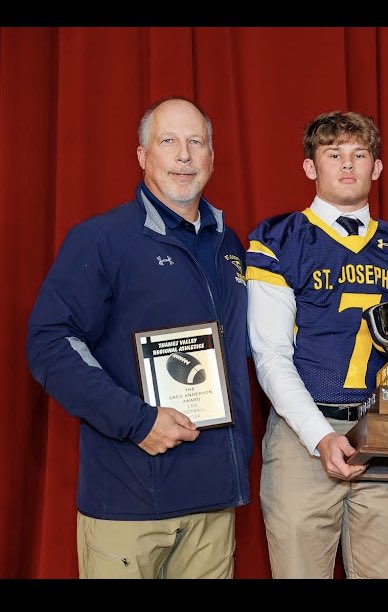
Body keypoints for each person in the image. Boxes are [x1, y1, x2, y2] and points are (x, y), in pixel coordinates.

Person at [26, 97, 253, 578]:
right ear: (142, 156)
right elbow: (49, 342)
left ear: (213, 156)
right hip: (128, 502)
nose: (184, 155)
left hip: (212, 507)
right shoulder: (101, 240)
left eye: (197, 142)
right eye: (168, 141)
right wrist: (137, 421)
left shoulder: (231, 245)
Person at [246, 110, 388, 579]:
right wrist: (319, 434)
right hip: (302, 434)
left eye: (359, 154)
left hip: (379, 434)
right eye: (334, 155)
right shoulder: (278, 240)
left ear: (377, 167)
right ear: (311, 167)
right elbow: (269, 354)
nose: (347, 166)